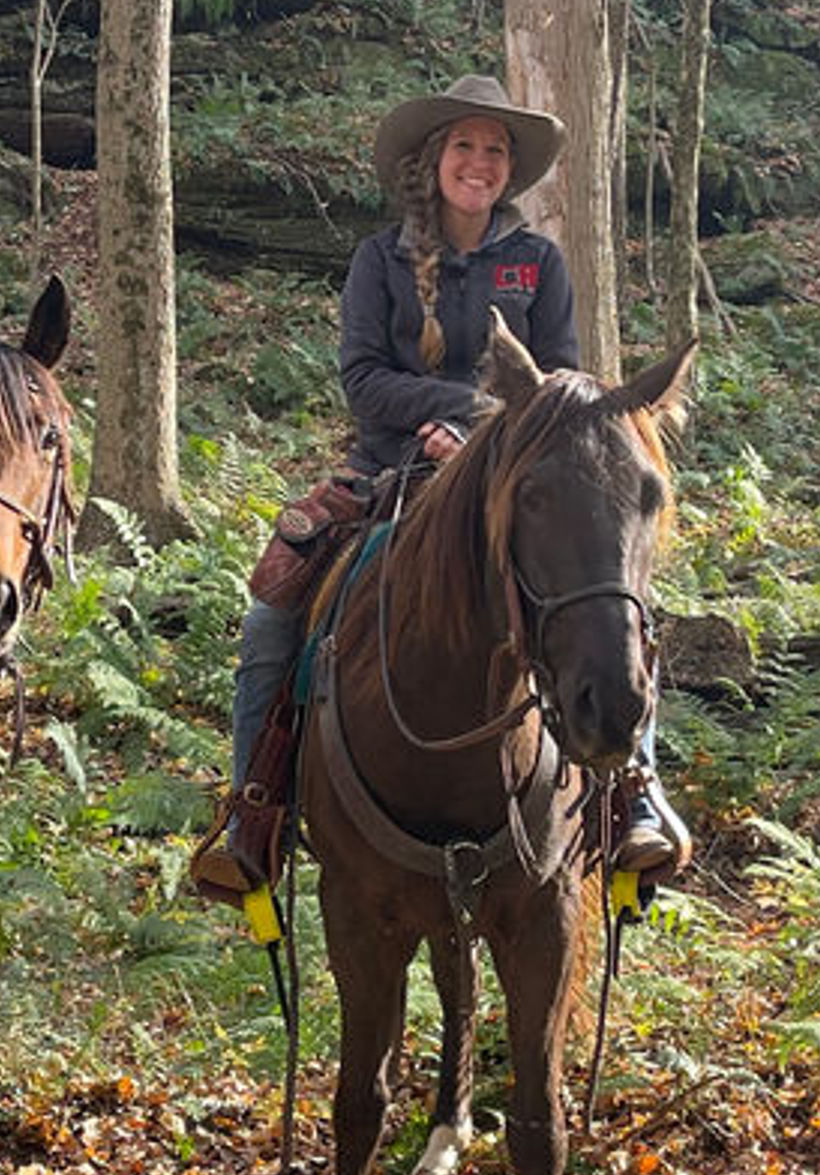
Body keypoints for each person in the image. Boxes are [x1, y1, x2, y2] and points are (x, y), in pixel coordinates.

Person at [188, 72, 690, 901]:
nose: (481, 161)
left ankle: (631, 790)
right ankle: (255, 810)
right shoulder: (379, 261)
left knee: (608, 591)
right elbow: (363, 378)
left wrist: (492, 431)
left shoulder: (537, 262)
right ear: (434, 160)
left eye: (496, 150)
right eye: (466, 144)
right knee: (278, 597)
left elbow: (564, 383)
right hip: (392, 469)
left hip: (519, 473)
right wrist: (455, 413)